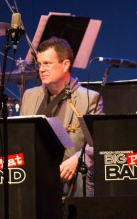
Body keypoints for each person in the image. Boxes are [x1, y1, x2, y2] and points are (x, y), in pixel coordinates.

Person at [19, 37, 103, 197]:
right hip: (36, 170)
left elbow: (98, 144)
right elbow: (21, 138)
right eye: (39, 64)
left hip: (68, 173)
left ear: (65, 65)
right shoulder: (29, 96)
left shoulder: (89, 98)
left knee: (80, 174)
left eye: (47, 64)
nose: (41, 69)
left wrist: (79, 158)